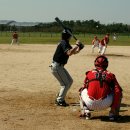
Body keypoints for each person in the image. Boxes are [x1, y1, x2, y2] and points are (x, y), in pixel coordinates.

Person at [79, 55, 123, 121]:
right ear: (107, 64)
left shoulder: (89, 73)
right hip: (106, 103)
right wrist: (113, 107)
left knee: (82, 90)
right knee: (119, 92)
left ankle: (85, 111)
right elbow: (118, 91)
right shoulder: (110, 74)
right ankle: (113, 114)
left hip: (90, 103)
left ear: (95, 63)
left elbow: (84, 86)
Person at [50, 29, 84, 107]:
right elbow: (69, 53)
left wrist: (79, 48)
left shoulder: (66, 43)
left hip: (59, 67)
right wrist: (76, 45)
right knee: (65, 84)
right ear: (69, 36)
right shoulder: (63, 43)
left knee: (69, 81)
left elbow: (73, 52)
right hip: (57, 66)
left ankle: (59, 96)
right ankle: (59, 100)